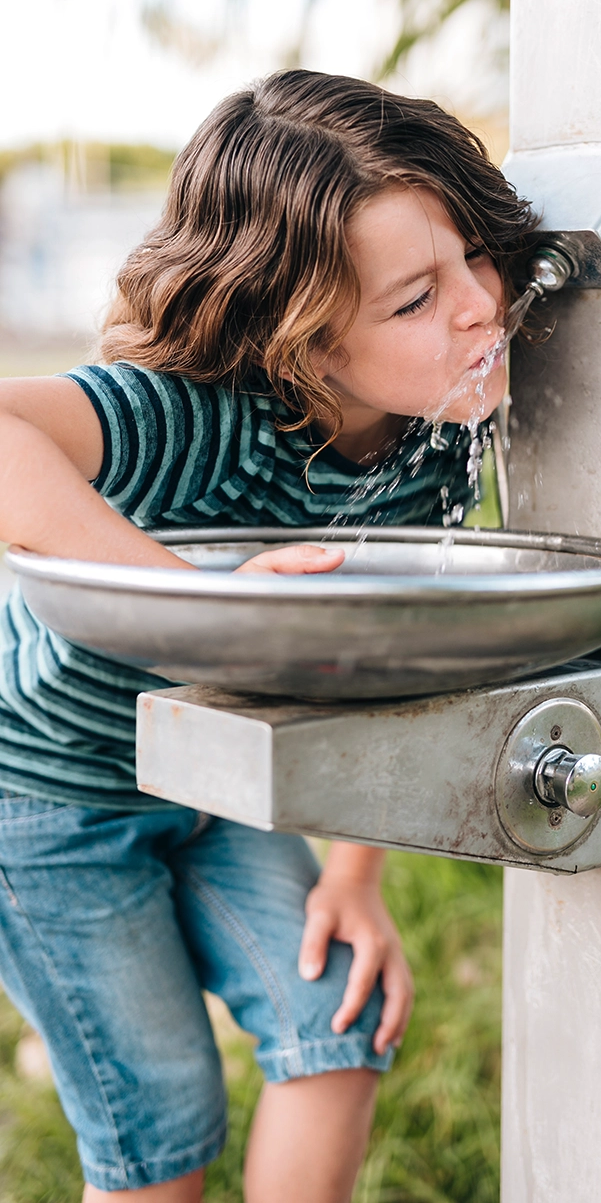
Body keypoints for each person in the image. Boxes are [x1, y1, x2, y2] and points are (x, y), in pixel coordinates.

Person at [0, 70, 535, 1202]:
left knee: (335, 1021)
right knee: (162, 1132)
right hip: (50, 803)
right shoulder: (183, 419)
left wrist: (356, 871)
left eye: (472, 260)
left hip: (222, 786)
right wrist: (195, 607)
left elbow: (389, 668)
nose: (480, 307)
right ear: (299, 340)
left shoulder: (432, 442)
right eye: (414, 299)